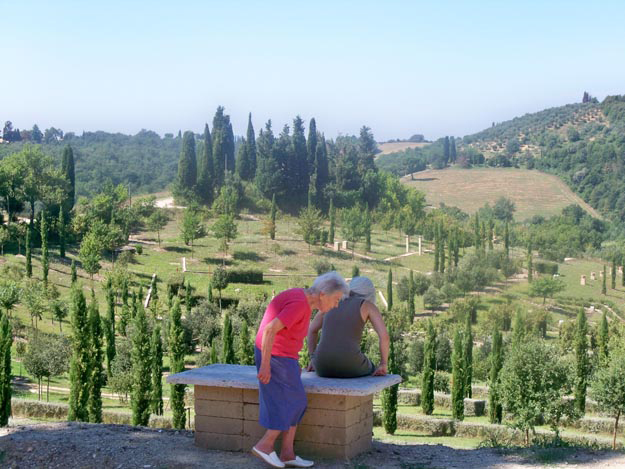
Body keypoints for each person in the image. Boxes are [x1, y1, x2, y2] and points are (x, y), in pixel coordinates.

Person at [252, 271, 349, 468]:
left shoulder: (301, 300)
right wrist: (265, 365)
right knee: (294, 402)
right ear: (323, 293)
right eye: (336, 299)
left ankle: (287, 453)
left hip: (284, 357)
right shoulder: (299, 304)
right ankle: (265, 445)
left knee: (296, 403)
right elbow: (270, 329)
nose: (336, 305)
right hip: (275, 356)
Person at [307, 276, 389, 378]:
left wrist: (313, 358)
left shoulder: (331, 301)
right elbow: (384, 336)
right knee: (372, 368)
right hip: (351, 365)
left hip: (321, 366)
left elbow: (311, 330)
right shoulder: (368, 306)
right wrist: (383, 364)